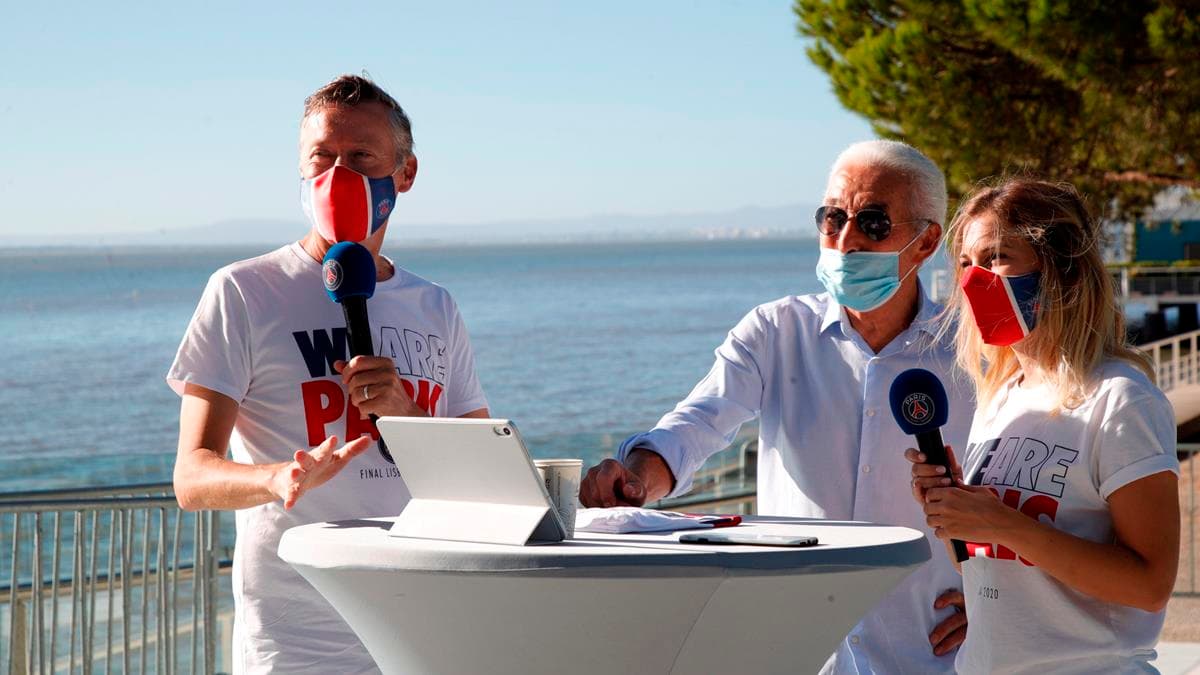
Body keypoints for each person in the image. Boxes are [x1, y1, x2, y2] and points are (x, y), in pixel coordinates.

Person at [580, 140, 975, 673]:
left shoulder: (972, 351)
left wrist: (1003, 595)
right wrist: (635, 480)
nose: (846, 240)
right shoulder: (774, 331)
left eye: (874, 223)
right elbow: (697, 424)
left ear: (927, 242)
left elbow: (1028, 491)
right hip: (798, 652)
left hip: (931, 654)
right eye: (832, 218)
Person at [168, 75, 490, 674]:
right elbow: (191, 477)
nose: (336, 176)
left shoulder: (435, 306)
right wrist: (276, 477)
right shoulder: (243, 291)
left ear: (405, 174)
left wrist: (405, 416)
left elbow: (483, 480)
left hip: (425, 632)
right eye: (320, 158)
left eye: (360, 157)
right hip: (298, 647)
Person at [908, 178, 1179, 673]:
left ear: (1061, 269)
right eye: (966, 264)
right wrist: (955, 509)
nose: (974, 280)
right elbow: (990, 561)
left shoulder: (1120, 399)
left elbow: (1150, 585)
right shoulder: (1002, 398)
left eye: (996, 257)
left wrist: (1004, 524)